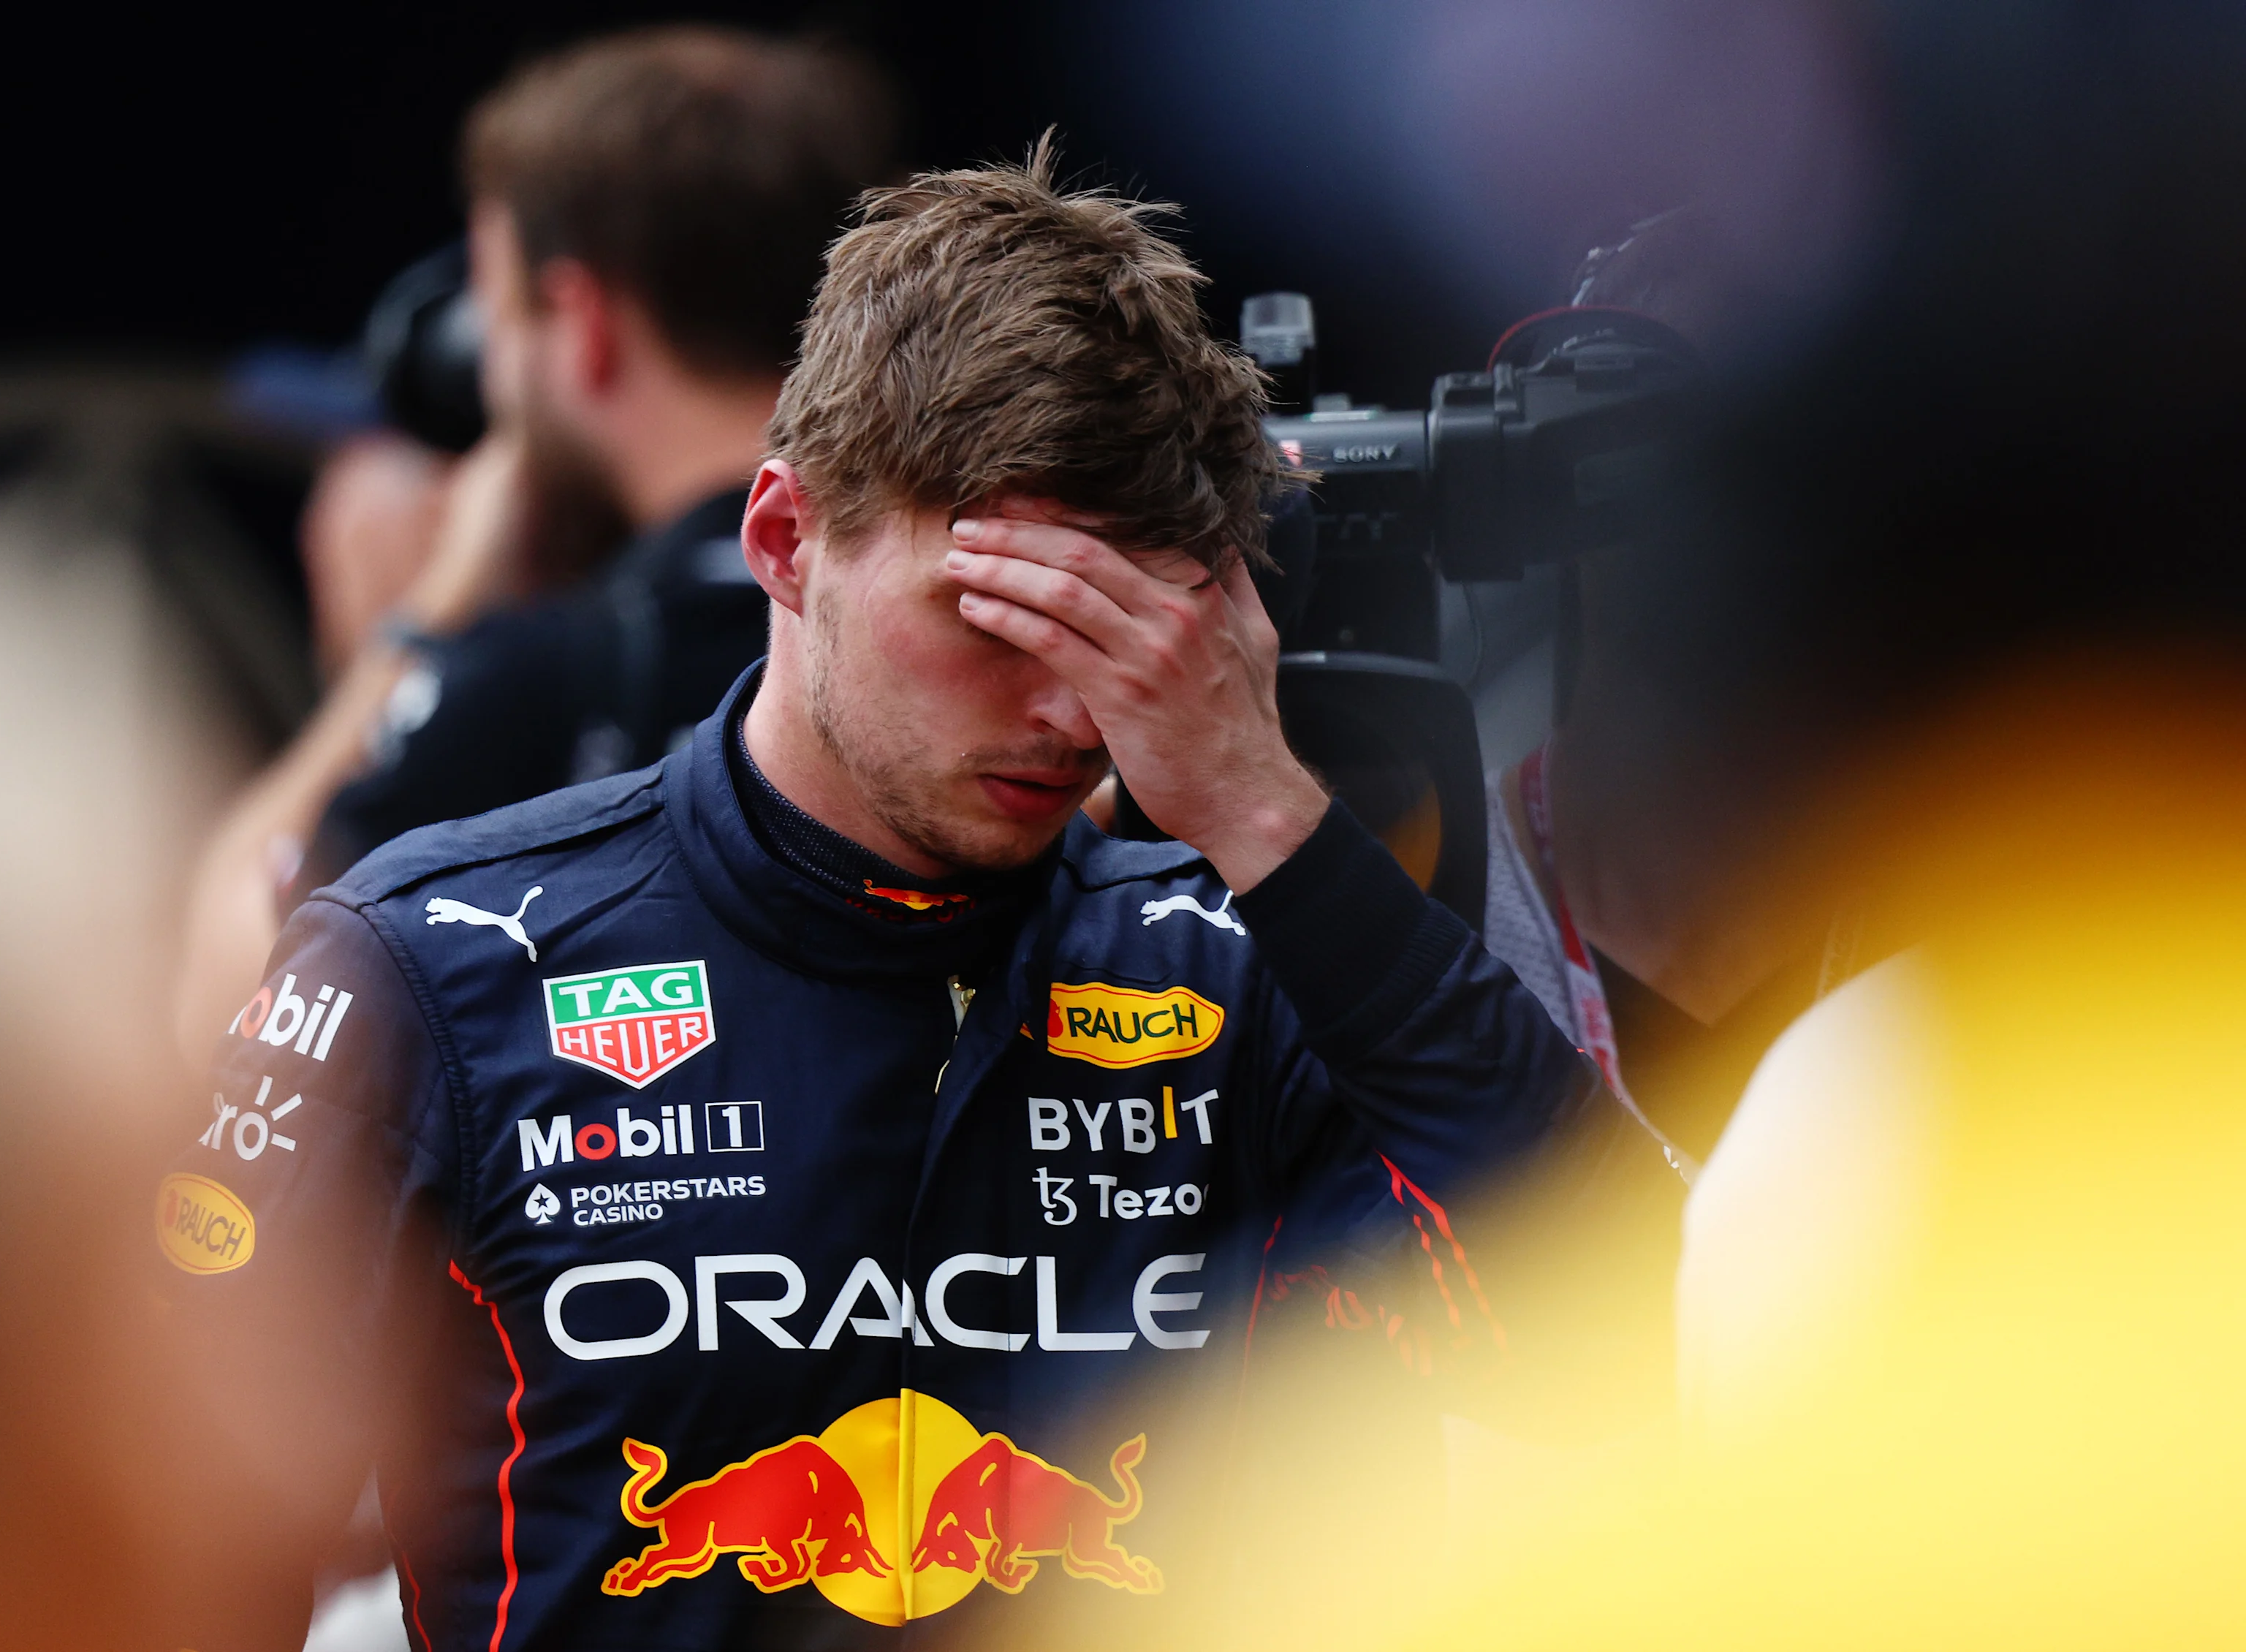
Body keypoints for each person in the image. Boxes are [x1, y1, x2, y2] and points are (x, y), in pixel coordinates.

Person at [155, 146, 1611, 1649]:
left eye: (1123, 637)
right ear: (786, 540)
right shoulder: (433, 961)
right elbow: (158, 1541)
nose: (1066, 712)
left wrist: (1264, 809)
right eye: (995, 621)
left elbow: (1609, 1352)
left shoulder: (1250, 964)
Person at [173, 27, 898, 1052]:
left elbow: (228, 1011)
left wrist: (417, 633)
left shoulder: (545, 676)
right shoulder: (964, 588)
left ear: (584, 322)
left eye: (497, 315)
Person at [1476, 207, 1854, 1178]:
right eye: (1619, 448)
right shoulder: (1401, 888)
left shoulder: (1996, 897)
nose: (1693, 525)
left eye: (1755, 465)